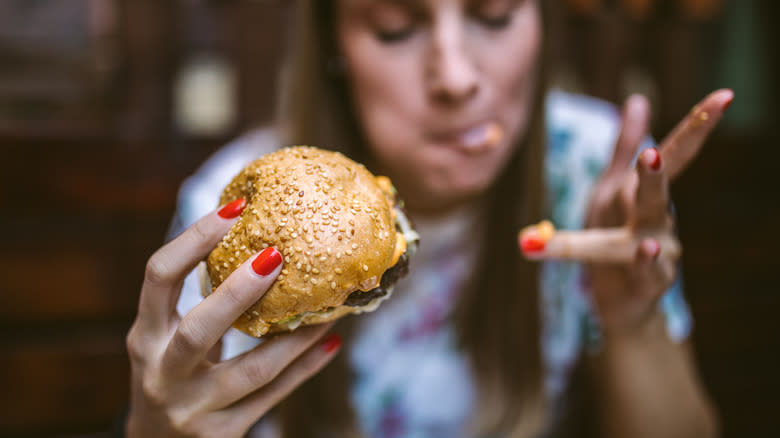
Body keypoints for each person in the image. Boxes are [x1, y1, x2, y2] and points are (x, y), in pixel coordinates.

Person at [124, 1, 730, 437]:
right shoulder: (236, 211)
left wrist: (634, 324)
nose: (458, 79)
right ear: (335, 41)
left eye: (493, 16)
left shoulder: (598, 170)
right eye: (396, 28)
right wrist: (158, 429)